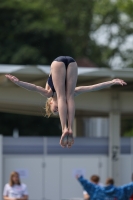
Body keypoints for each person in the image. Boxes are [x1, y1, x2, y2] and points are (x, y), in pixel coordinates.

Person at [5, 56, 127, 148]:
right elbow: (92, 87)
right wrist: (111, 82)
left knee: (63, 97)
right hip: (72, 62)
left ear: (50, 103)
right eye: (59, 111)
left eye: (55, 110)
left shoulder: (49, 93)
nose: (58, 109)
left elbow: (33, 87)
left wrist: (18, 82)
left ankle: (66, 128)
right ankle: (69, 128)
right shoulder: (72, 92)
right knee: (69, 97)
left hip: (57, 63)